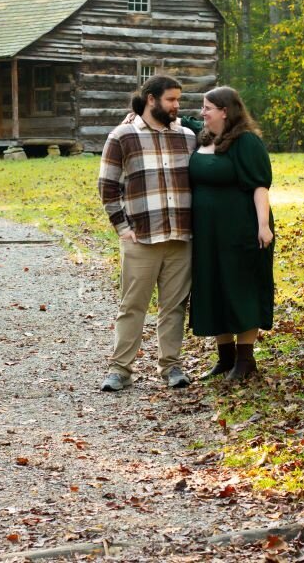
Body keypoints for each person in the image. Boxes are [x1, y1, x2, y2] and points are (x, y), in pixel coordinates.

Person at [98, 74, 197, 392]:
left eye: (179, 100)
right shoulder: (123, 136)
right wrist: (122, 228)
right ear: (151, 99)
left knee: (174, 307)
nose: (176, 105)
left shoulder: (186, 136)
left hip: (180, 237)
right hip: (141, 237)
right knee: (132, 305)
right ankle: (120, 369)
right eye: (171, 99)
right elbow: (107, 184)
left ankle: (171, 367)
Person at [181, 86, 274, 382]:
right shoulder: (205, 136)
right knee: (213, 287)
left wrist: (263, 226)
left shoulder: (246, 142)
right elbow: (180, 119)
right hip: (208, 233)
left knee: (240, 287)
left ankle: (246, 361)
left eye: (208, 107)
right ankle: (225, 359)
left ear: (225, 111)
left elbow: (260, 186)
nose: (202, 112)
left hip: (241, 228)